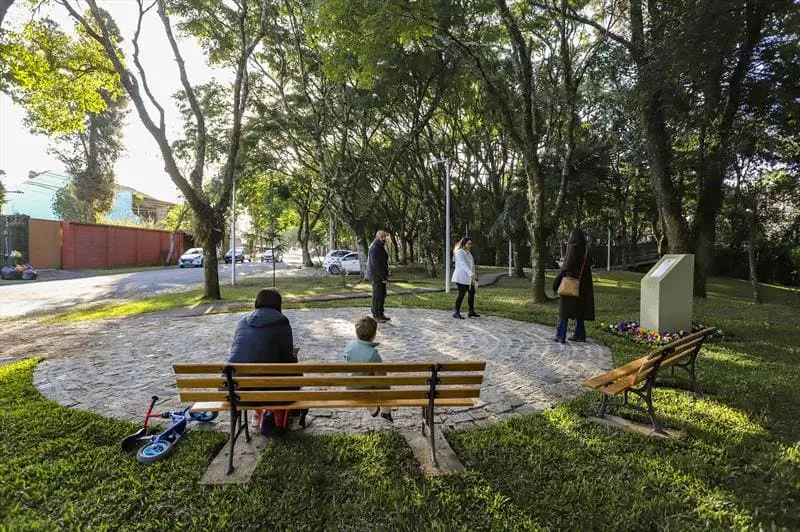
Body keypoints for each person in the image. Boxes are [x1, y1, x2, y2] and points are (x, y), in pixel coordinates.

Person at [228, 288, 297, 363]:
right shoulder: (282, 322)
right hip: (267, 372)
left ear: (257, 302)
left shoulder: (242, 322)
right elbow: (287, 359)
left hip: (234, 373)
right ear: (278, 304)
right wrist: (294, 355)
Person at [344, 316, 393, 422]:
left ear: (357, 332)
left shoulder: (349, 345)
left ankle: (373, 410)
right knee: (383, 386)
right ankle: (386, 413)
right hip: (366, 389)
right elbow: (381, 380)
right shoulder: (373, 355)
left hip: (351, 387)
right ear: (374, 335)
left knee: (362, 378)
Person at [554, 228, 595, 343]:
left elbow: (568, 265)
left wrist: (562, 264)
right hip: (582, 284)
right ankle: (580, 335)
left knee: (564, 310)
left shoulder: (573, 247)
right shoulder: (585, 249)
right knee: (579, 310)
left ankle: (560, 335)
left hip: (570, 282)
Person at [451, 237, 480, 319]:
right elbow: (464, 265)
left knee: (471, 293)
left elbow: (471, 265)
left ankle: (471, 311)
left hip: (469, 278)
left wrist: (474, 275)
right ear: (464, 244)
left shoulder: (468, 253)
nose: (470, 245)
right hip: (461, 277)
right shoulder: (460, 252)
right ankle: (456, 312)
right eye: (469, 244)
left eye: (471, 244)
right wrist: (471, 274)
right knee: (461, 294)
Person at [365, 229, 390, 323]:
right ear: (377, 237)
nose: (384, 239)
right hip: (376, 276)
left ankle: (380, 313)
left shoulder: (380, 246)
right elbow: (375, 265)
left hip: (380, 275)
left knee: (382, 294)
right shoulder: (375, 248)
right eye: (382, 237)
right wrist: (382, 277)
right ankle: (376, 315)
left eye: (384, 237)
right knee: (377, 296)